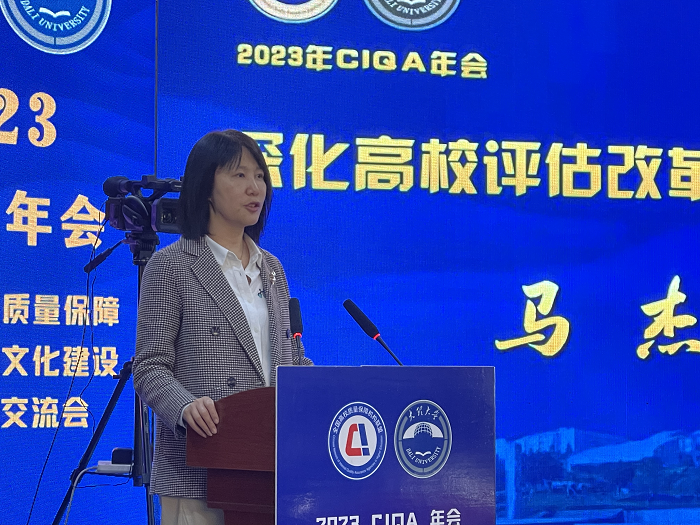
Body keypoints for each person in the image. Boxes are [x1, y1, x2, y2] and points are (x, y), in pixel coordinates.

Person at [133, 129, 311, 525]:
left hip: (271, 473)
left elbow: (291, 359)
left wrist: (322, 392)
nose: (255, 188)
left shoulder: (273, 269)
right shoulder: (171, 266)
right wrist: (184, 407)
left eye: (260, 176)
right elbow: (149, 367)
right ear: (206, 186)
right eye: (239, 175)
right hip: (198, 471)